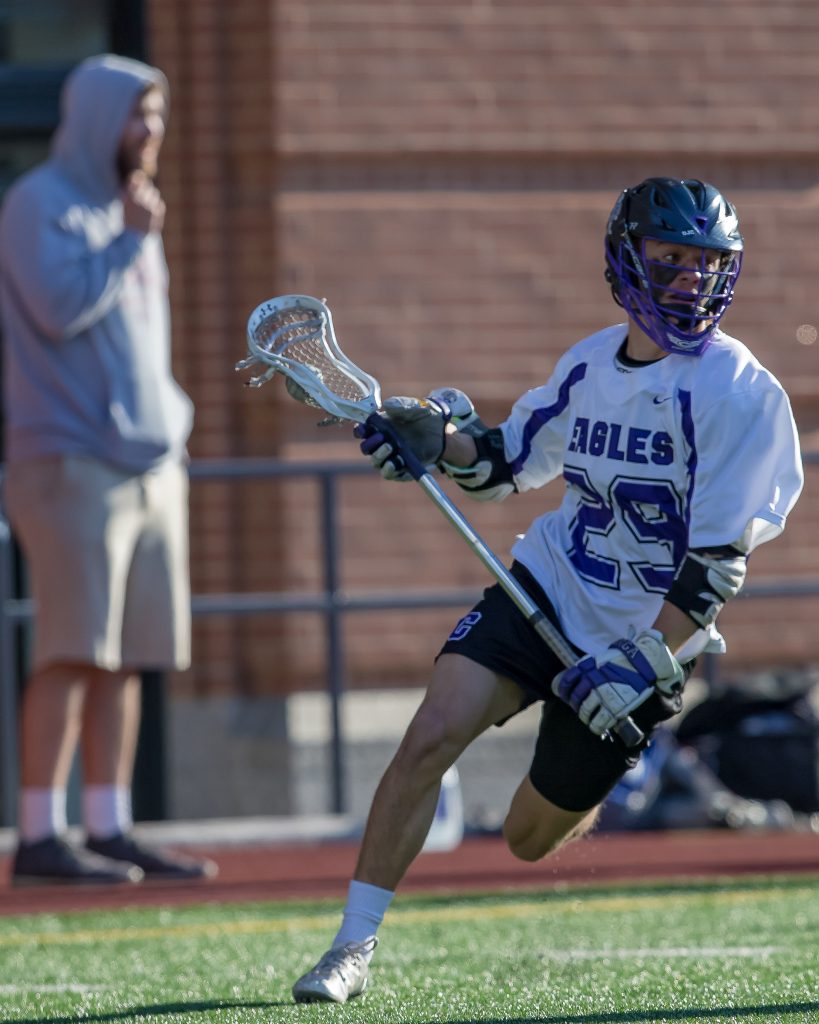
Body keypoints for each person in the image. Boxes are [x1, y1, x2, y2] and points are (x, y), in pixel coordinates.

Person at [291, 177, 803, 1002]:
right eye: (669, 259)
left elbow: (712, 567)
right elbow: (501, 465)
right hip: (548, 589)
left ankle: (598, 765)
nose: (688, 280)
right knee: (430, 734)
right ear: (626, 260)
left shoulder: (738, 393)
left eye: (704, 263)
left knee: (527, 837)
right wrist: (438, 440)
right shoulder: (588, 364)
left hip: (642, 638)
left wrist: (643, 661)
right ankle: (350, 945)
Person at [0, 54, 215, 884]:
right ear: (97, 117)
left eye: (156, 114)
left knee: (126, 654)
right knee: (71, 649)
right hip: (70, 460)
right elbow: (56, 310)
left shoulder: (136, 209)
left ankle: (109, 823)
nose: (152, 130)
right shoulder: (39, 203)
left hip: (152, 465)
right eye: (137, 114)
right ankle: (37, 833)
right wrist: (127, 239)